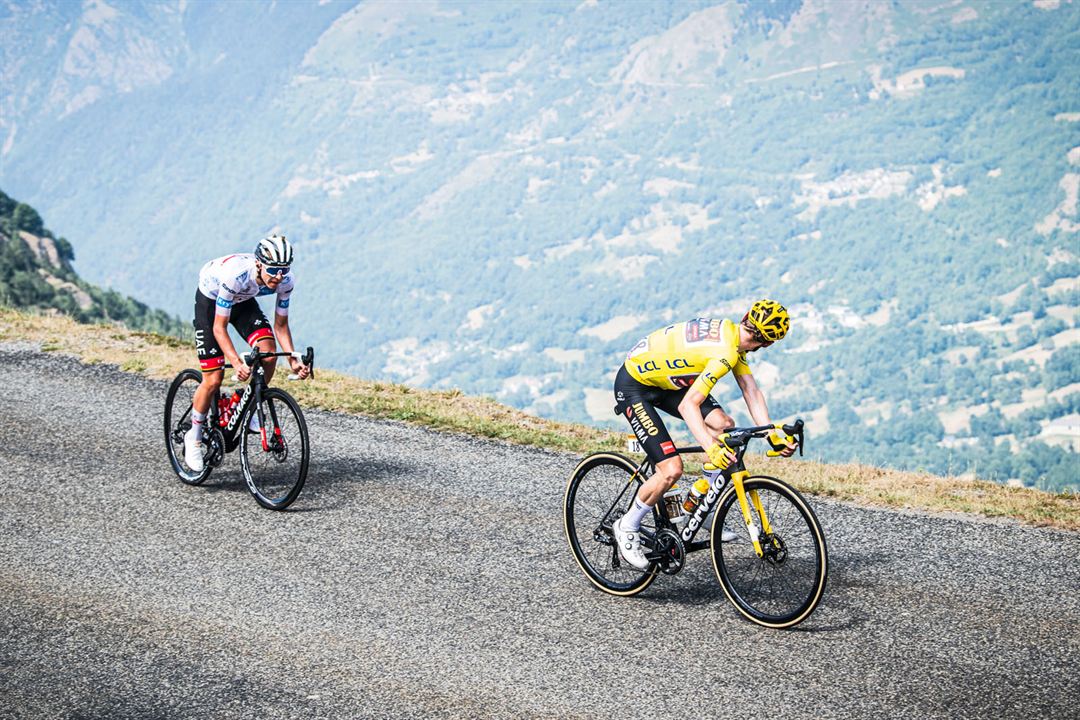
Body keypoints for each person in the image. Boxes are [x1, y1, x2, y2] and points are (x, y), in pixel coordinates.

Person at [611, 299, 798, 570]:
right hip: (635, 386)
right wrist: (711, 448)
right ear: (768, 343)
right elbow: (689, 406)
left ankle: (698, 505)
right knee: (671, 469)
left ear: (746, 318)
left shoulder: (733, 336)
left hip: (668, 381)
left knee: (724, 425)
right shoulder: (726, 353)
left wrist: (772, 434)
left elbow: (751, 390)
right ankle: (627, 525)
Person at [183, 234, 310, 471]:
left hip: (244, 302)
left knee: (269, 354)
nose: (278, 276)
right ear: (259, 264)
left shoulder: (285, 282)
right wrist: (235, 362)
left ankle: (251, 404)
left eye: (284, 269)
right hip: (212, 301)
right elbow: (219, 328)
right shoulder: (237, 276)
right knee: (214, 378)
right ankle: (194, 436)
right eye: (273, 270)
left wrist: (293, 358)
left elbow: (281, 326)